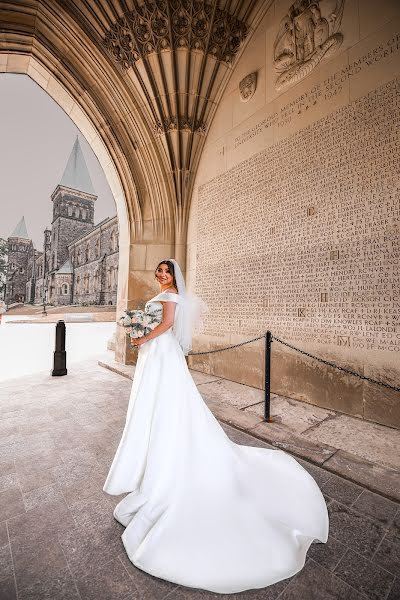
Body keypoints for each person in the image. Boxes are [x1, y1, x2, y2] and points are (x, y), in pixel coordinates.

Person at [103, 258, 329, 594]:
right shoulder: (162, 294)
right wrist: (141, 332)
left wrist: (142, 337)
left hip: (161, 352)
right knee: (158, 405)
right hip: (157, 354)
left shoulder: (171, 298)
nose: (161, 275)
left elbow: (166, 325)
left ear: (174, 275)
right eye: (159, 271)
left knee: (167, 403)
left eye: (165, 271)